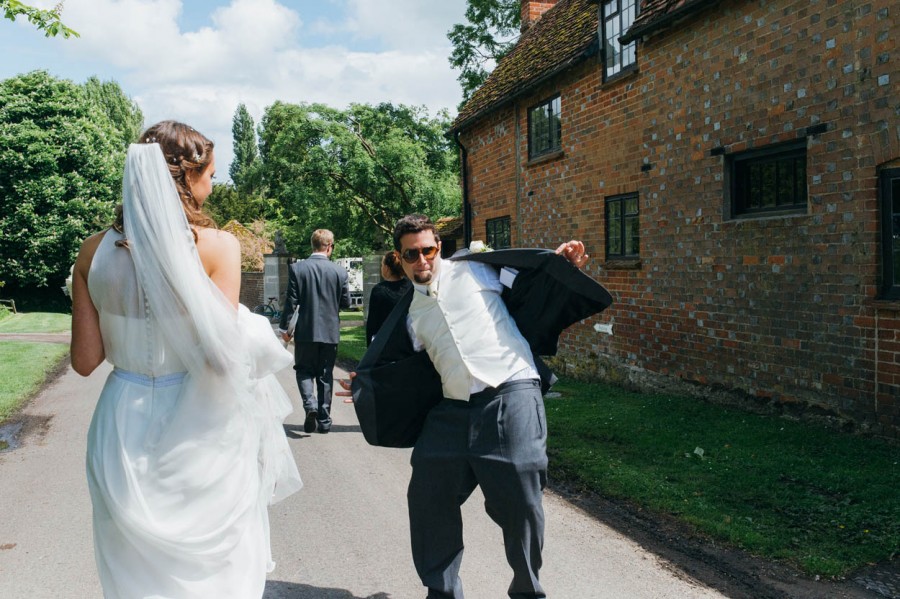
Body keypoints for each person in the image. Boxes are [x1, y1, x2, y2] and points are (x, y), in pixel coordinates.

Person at [70, 121, 302, 598]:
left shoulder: (91, 252)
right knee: (215, 570)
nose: (212, 186)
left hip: (122, 421)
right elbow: (221, 359)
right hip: (199, 423)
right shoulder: (219, 247)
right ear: (186, 177)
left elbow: (86, 360)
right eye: (211, 175)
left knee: (134, 570)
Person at [340, 214, 598, 599]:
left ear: (438, 247)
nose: (422, 260)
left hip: (511, 389)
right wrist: (369, 385)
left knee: (521, 501)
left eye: (428, 250)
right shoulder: (409, 313)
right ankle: (442, 592)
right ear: (401, 256)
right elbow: (403, 370)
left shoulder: (479, 271)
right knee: (428, 495)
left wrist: (561, 265)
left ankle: (527, 591)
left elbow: (528, 284)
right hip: (454, 408)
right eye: (412, 254)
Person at [279, 229, 351, 434]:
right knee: (325, 375)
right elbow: (345, 302)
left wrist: (285, 329)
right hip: (329, 332)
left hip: (305, 332)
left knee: (303, 370)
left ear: (313, 245)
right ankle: (325, 421)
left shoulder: (297, 269)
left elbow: (291, 302)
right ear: (329, 247)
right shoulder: (340, 272)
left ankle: (310, 406)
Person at [365, 250, 411, 346]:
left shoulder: (379, 290)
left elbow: (372, 322)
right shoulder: (410, 287)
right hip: (408, 339)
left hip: (386, 341)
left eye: (382, 265)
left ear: (386, 268)